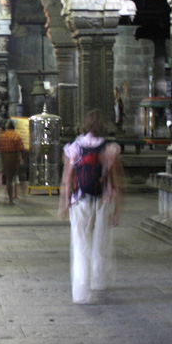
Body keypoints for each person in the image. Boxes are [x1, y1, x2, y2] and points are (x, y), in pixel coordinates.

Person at [59, 110, 123, 304]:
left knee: (81, 244)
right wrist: (117, 208)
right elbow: (116, 181)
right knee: (101, 242)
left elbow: (67, 180)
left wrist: (64, 204)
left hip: (80, 200)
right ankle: (98, 281)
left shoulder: (74, 148)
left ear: (85, 125)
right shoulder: (110, 149)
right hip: (103, 200)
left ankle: (81, 288)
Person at [0, 120, 26, 205]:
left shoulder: (2, 136)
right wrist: (21, 158)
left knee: (8, 178)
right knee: (12, 178)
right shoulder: (15, 135)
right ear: (14, 128)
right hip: (13, 157)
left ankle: (9, 196)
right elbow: (21, 148)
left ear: (6, 127)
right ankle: (11, 199)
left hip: (3, 157)